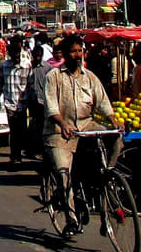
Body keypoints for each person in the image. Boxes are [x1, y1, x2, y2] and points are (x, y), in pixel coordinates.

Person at [44, 33, 119, 236]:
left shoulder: (90, 77)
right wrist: (63, 124)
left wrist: (112, 118)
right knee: (64, 175)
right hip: (60, 132)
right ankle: (71, 219)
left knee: (115, 136)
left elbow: (102, 101)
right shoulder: (54, 76)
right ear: (66, 55)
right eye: (73, 52)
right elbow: (51, 107)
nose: (77, 55)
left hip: (86, 126)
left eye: (80, 51)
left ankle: (109, 170)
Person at [0, 36, 32, 168]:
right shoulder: (5, 66)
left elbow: (30, 84)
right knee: (14, 131)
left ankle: (20, 153)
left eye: (17, 56)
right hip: (10, 103)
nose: (16, 59)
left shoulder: (27, 66)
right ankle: (15, 156)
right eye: (13, 56)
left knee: (22, 130)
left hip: (23, 103)